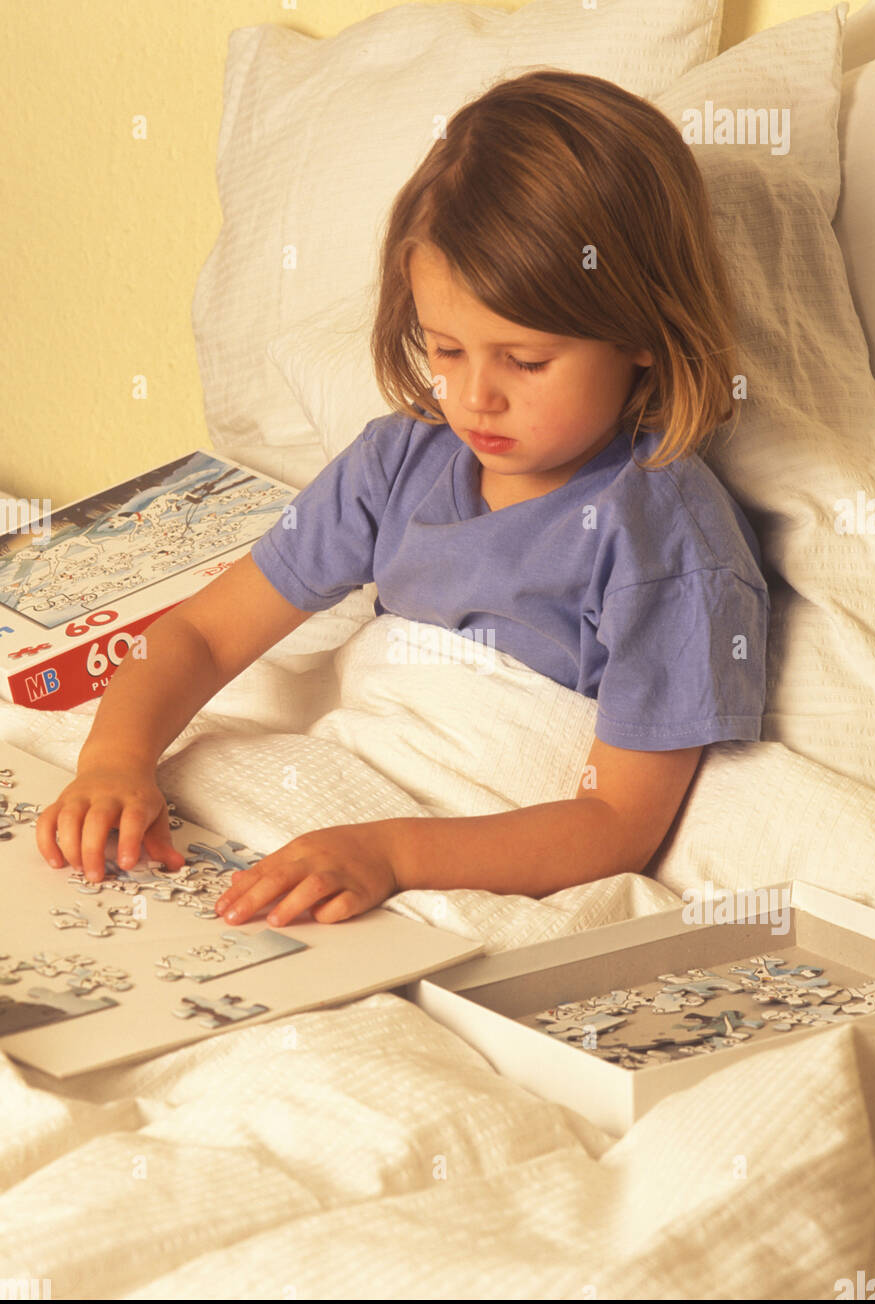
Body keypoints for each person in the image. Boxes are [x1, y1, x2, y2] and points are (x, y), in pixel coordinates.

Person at [35, 69, 769, 926]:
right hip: (346, 774)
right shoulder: (401, 459)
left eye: (525, 361)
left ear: (643, 330)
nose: (475, 399)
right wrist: (115, 761)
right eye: (446, 348)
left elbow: (616, 827)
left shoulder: (667, 540)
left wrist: (387, 853)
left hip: (468, 834)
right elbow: (203, 631)